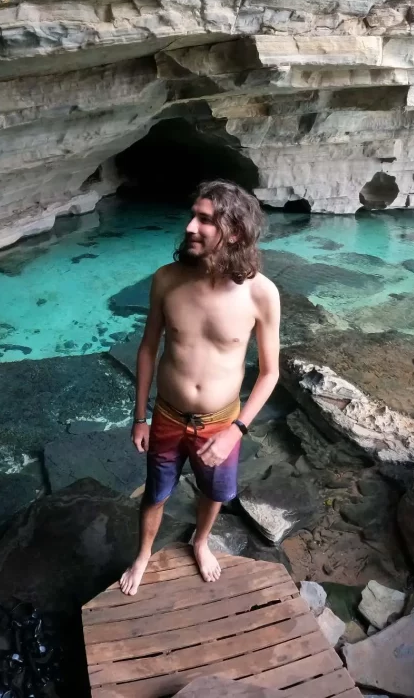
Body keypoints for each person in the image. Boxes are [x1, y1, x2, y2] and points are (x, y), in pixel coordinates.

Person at [119, 179, 281, 595]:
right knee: (155, 493)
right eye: (193, 215)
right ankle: (142, 554)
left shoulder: (261, 294)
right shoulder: (167, 279)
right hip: (168, 416)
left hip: (222, 422)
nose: (190, 226)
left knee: (214, 492)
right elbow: (147, 348)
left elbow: (269, 373)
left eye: (205, 220)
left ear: (236, 232)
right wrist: (140, 416)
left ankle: (201, 541)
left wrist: (236, 430)